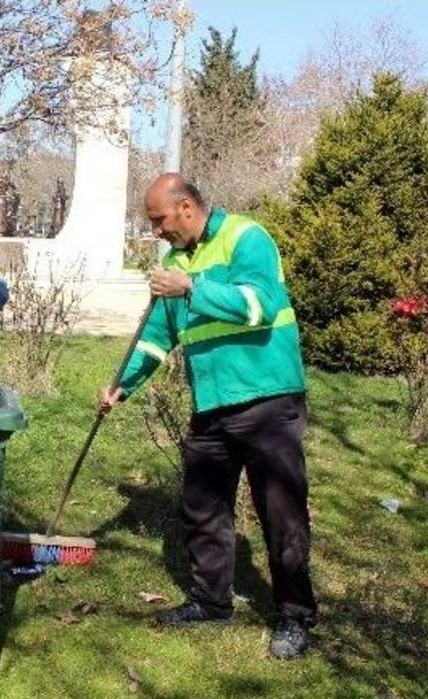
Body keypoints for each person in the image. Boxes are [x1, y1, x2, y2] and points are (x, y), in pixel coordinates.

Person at [98, 173, 317, 659]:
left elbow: (257, 305)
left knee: (281, 514)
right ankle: (211, 602)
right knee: (203, 507)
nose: (155, 231)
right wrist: (122, 386)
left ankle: (295, 617)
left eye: (159, 220)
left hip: (267, 400)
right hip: (213, 406)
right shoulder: (175, 263)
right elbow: (155, 337)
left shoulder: (247, 238)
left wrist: (193, 287)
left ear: (187, 209)